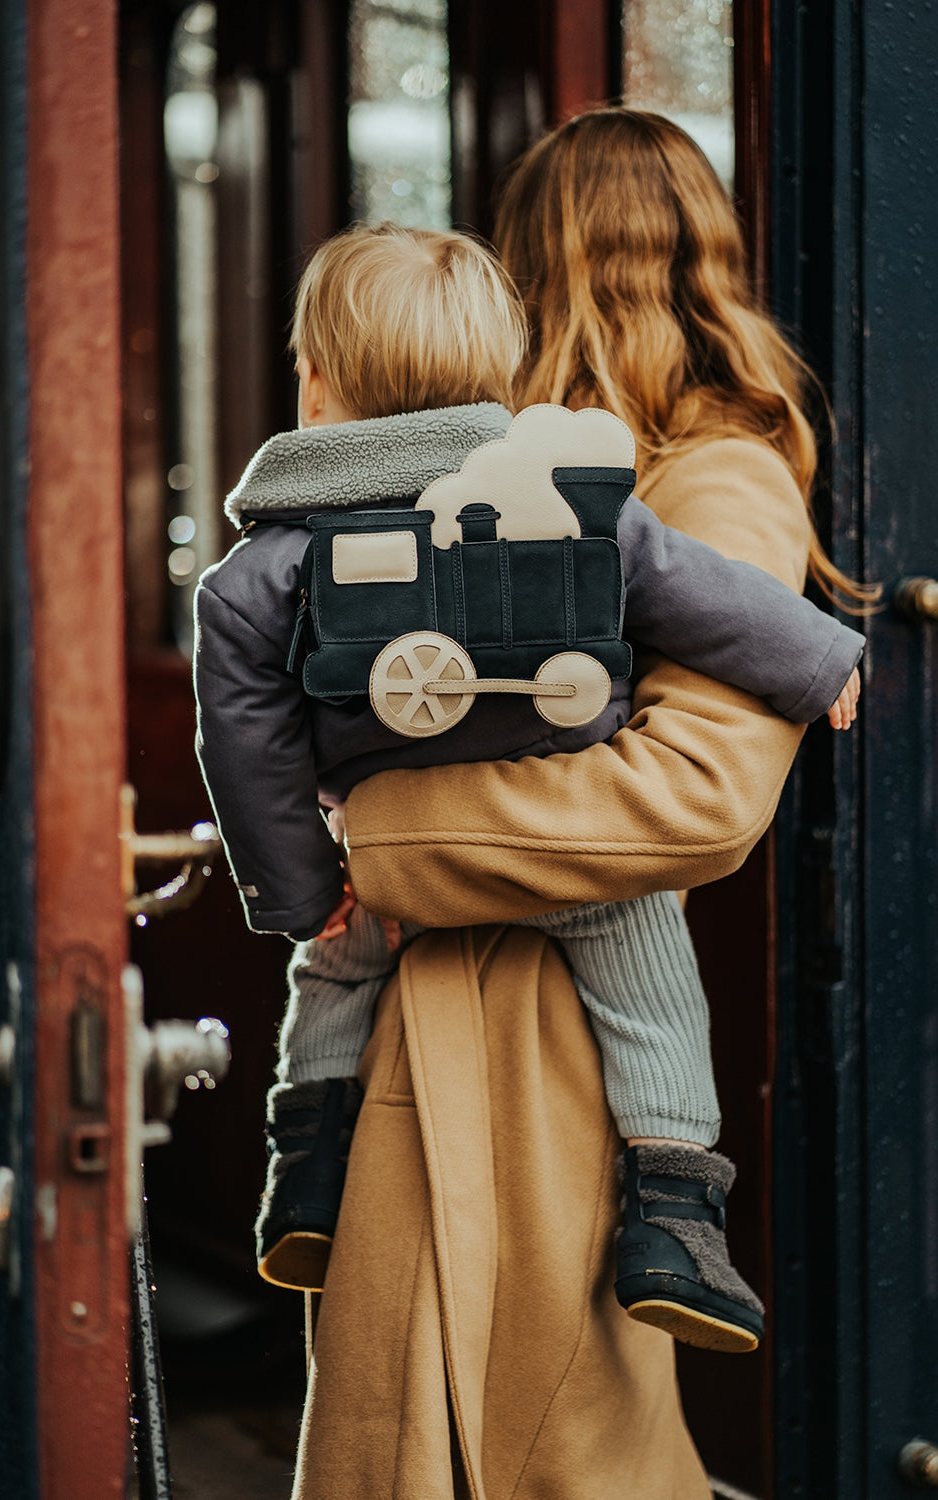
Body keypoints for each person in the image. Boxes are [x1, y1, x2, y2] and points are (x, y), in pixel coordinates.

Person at [193, 216, 864, 1357]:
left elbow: (244, 749)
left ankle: (305, 1174)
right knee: (653, 991)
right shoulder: (561, 501)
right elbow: (690, 590)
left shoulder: (259, 571)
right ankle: (673, 1216)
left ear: (315, 383)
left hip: (381, 860)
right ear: (495, 376)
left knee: (333, 972)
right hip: (561, 843)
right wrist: (816, 660)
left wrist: (308, 894)